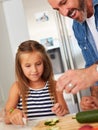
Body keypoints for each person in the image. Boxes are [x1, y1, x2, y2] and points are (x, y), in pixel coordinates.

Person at [4, 40, 69, 125]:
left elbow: (66, 113)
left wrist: (61, 111)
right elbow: (6, 115)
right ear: (20, 67)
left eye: (38, 64)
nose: (34, 70)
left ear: (44, 63)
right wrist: (12, 113)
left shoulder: (54, 85)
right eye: (28, 66)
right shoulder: (17, 87)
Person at [47, 0, 98, 94]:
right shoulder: (77, 27)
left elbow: (92, 72)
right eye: (57, 9)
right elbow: (92, 66)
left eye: (64, 2)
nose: (64, 13)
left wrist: (91, 73)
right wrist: (94, 98)